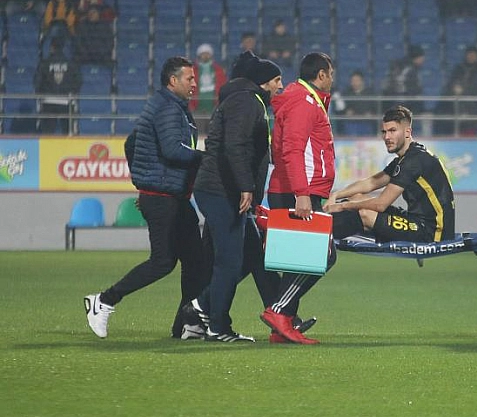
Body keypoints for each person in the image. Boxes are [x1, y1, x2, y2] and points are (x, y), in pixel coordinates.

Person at [83, 57, 208, 339]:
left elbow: (132, 143)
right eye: (189, 78)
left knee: (195, 262)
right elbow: (172, 150)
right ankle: (103, 300)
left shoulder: (168, 106)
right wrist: (205, 158)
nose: (194, 83)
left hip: (171, 196)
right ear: (173, 81)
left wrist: (145, 180)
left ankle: (187, 325)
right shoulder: (168, 108)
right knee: (163, 262)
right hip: (163, 198)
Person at [183, 51, 283, 342]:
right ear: (263, 81)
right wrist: (246, 187)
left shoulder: (247, 100)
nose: (280, 85)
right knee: (229, 261)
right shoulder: (246, 101)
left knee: (250, 256)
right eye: (277, 80)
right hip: (222, 191)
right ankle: (217, 326)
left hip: (226, 190)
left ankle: (201, 309)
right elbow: (235, 146)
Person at [258, 52, 336, 345]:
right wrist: (302, 194)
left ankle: (283, 325)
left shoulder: (303, 100)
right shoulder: (304, 103)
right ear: (321, 75)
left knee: (297, 261)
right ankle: (279, 312)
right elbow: (293, 150)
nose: (332, 79)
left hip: (295, 188)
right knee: (322, 255)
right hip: (298, 191)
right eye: (330, 74)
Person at [324, 105, 455, 245]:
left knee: (365, 214)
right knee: (357, 198)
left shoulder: (413, 162)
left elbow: (381, 204)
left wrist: (342, 206)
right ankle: (323, 224)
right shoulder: (406, 158)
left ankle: (320, 233)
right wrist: (336, 195)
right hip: (414, 220)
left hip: (431, 232)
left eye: (392, 131)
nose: (387, 137)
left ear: (407, 132)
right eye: (384, 132)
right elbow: (371, 183)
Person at [435, 46, 477, 136]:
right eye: (469, 54)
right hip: (456, 106)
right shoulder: (458, 68)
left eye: (473, 55)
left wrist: (473, 97)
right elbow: (450, 84)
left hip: (473, 107)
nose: (471, 57)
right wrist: (454, 90)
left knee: (471, 130)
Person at [33, 36, 82, 135]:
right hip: (67, 101)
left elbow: (37, 81)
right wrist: (72, 93)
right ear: (63, 48)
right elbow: (78, 81)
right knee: (67, 133)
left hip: (48, 101)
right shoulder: (71, 64)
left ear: (52, 47)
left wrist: (41, 94)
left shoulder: (45, 63)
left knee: (47, 133)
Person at [383, 45, 425, 115]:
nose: (423, 60)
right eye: (421, 57)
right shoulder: (410, 69)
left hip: (394, 102)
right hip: (405, 103)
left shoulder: (397, 66)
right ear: (416, 57)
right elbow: (411, 89)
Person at [189, 43, 228, 115]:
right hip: (197, 105)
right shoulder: (193, 71)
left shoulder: (218, 70)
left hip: (215, 105)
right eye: (203, 54)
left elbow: (223, 85)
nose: (205, 56)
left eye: (207, 54)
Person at [336, 70, 376, 136]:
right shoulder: (346, 94)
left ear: (362, 81)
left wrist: (371, 113)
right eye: (352, 81)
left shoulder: (370, 94)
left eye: (356, 80)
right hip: (351, 123)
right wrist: (346, 112)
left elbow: (375, 109)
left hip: (366, 123)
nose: (354, 83)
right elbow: (342, 109)